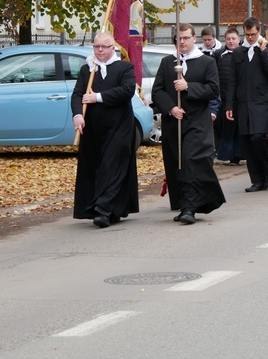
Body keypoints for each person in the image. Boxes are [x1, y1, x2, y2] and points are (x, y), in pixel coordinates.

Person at [152, 23, 226, 224]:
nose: (182, 42)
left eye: (186, 38)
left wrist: (188, 87)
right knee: (177, 163)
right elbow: (157, 91)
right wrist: (170, 108)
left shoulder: (207, 62)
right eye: (179, 38)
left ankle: (190, 208)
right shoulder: (167, 62)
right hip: (173, 123)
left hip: (197, 123)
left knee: (191, 161)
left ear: (195, 39)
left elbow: (213, 90)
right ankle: (184, 204)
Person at [71, 32, 139, 228]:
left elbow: (127, 91)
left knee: (111, 166)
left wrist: (97, 97)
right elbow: (77, 95)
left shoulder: (124, 68)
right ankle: (111, 209)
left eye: (104, 46)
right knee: (96, 168)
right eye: (96, 47)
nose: (100, 50)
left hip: (119, 127)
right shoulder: (87, 70)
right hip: (93, 128)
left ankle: (102, 210)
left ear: (112, 48)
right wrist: (77, 116)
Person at [225, 17, 268, 192]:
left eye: (253, 34)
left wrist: (263, 51)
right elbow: (232, 81)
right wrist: (229, 105)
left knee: (258, 137)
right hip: (243, 103)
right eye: (247, 34)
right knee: (248, 140)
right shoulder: (238, 53)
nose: (250, 38)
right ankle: (257, 180)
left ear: (259, 31)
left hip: (263, 102)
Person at [214, 29, 245, 165]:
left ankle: (239, 155)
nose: (231, 41)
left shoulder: (245, 53)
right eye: (228, 39)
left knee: (240, 129)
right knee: (226, 128)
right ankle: (227, 153)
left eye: (233, 38)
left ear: (239, 39)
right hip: (224, 98)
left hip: (241, 99)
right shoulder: (218, 55)